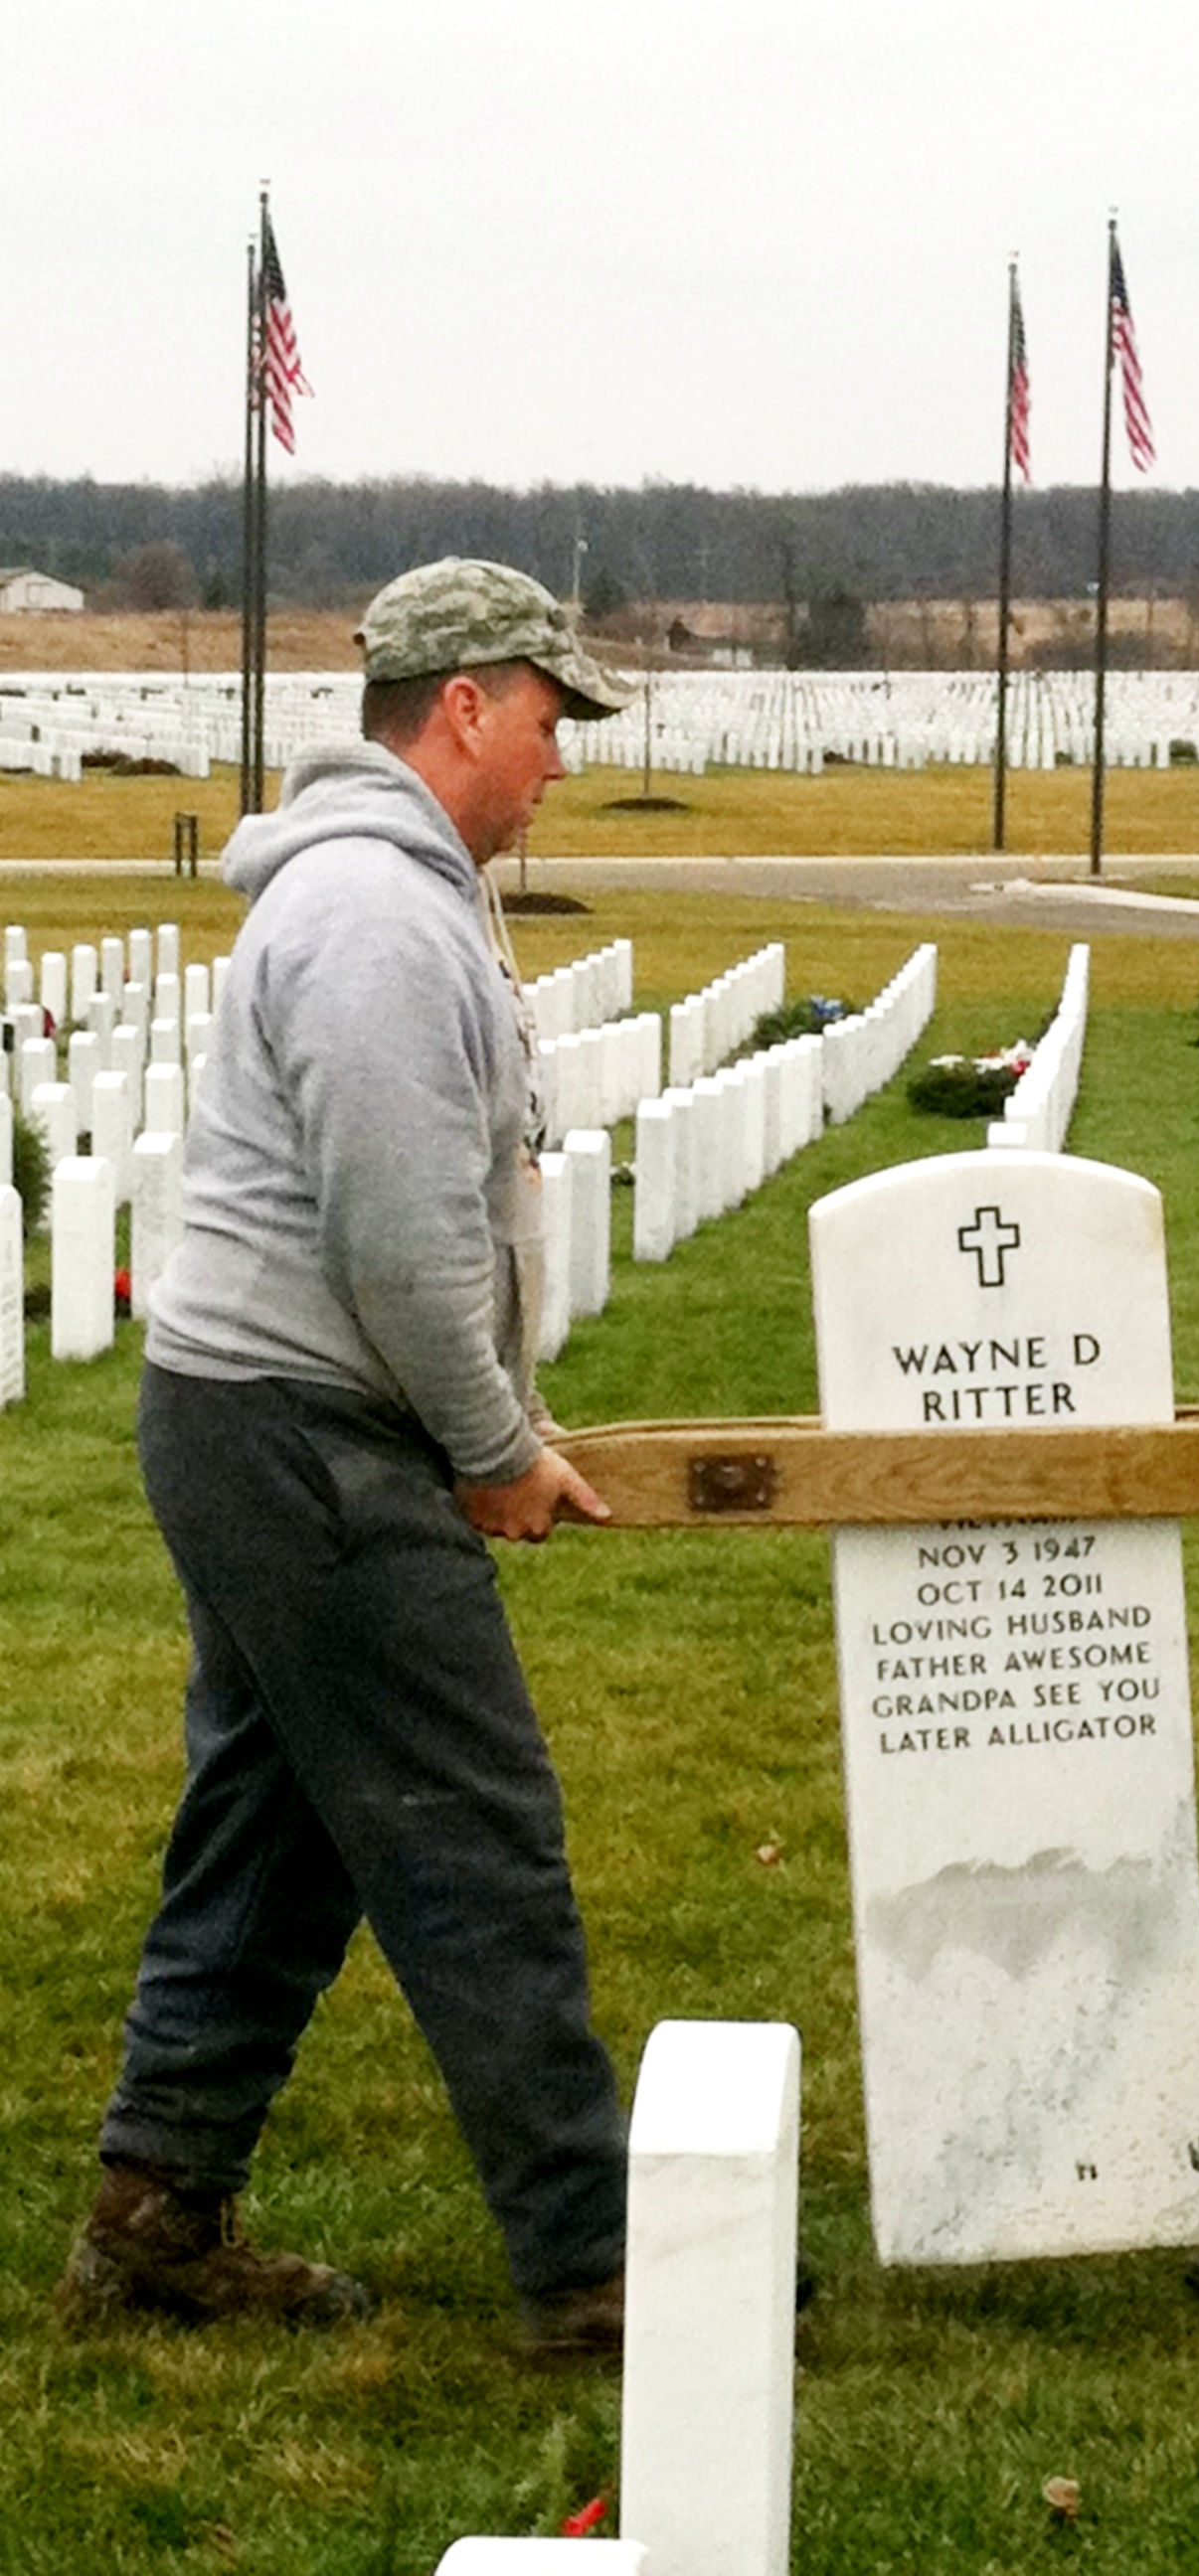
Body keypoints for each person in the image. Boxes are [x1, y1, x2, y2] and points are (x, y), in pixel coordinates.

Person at [59, 559, 639, 2359]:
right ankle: (597, 2272)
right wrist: (491, 1447)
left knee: (279, 1831)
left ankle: (155, 2221)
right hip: (311, 1434)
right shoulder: (380, 917)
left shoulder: (392, 893)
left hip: (260, 1419)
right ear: (464, 705)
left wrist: (496, 1420)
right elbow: (395, 1237)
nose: (559, 762)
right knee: (475, 1834)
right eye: (548, 720)